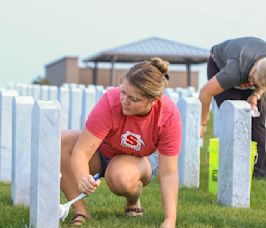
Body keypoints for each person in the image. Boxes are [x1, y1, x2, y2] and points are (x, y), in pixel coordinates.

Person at [60, 57, 182, 227]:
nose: (124, 100)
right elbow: (81, 152)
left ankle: (133, 200)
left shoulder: (167, 115)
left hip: (141, 160)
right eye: (123, 92)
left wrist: (170, 220)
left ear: (153, 100)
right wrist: (82, 178)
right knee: (62, 142)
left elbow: (169, 173)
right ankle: (81, 212)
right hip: (103, 152)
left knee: (119, 176)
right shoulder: (111, 100)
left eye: (133, 99)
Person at [199, 37, 266, 179]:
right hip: (220, 65)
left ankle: (258, 174)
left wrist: (257, 93)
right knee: (234, 121)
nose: (250, 83)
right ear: (255, 67)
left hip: (256, 72)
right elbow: (205, 93)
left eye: (254, 83)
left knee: (258, 124)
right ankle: (232, 171)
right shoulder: (234, 70)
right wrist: (202, 124)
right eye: (251, 79)